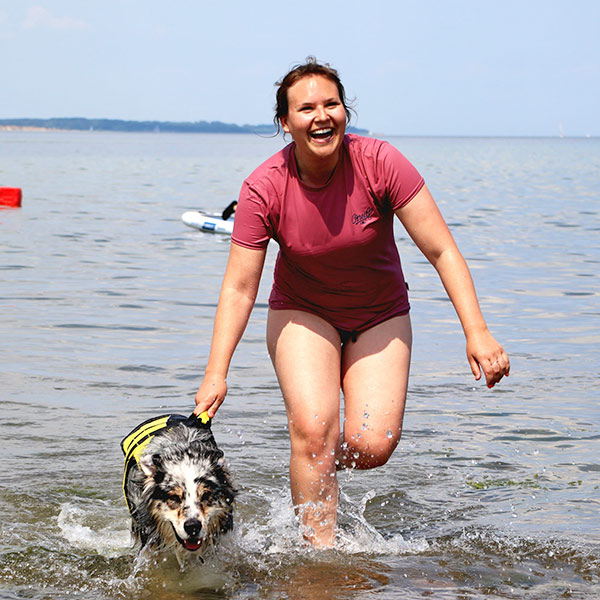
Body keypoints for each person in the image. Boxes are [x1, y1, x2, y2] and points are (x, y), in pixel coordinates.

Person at [194, 57, 510, 548]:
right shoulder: (264, 186)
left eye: (331, 104)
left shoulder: (381, 163)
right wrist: (217, 369)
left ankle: (311, 464)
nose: (321, 116)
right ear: (286, 123)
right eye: (305, 108)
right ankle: (317, 555)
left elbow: (442, 250)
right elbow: (239, 287)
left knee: (373, 445)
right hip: (304, 313)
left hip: (379, 314)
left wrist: (477, 331)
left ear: (345, 111)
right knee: (315, 429)